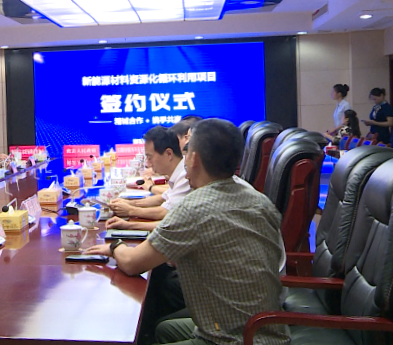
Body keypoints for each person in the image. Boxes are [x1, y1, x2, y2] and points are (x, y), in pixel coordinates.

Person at [86, 119, 289, 345]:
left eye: (187, 152)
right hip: (267, 322)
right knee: (164, 329)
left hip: (234, 338)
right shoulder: (258, 199)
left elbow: (132, 263)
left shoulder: (194, 207)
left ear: (194, 158)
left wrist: (115, 246)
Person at [107, 126, 190, 231]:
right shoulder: (177, 171)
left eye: (150, 157)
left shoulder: (186, 174)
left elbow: (166, 211)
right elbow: (163, 198)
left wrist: (131, 211)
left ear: (168, 154)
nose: (147, 164)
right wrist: (128, 203)